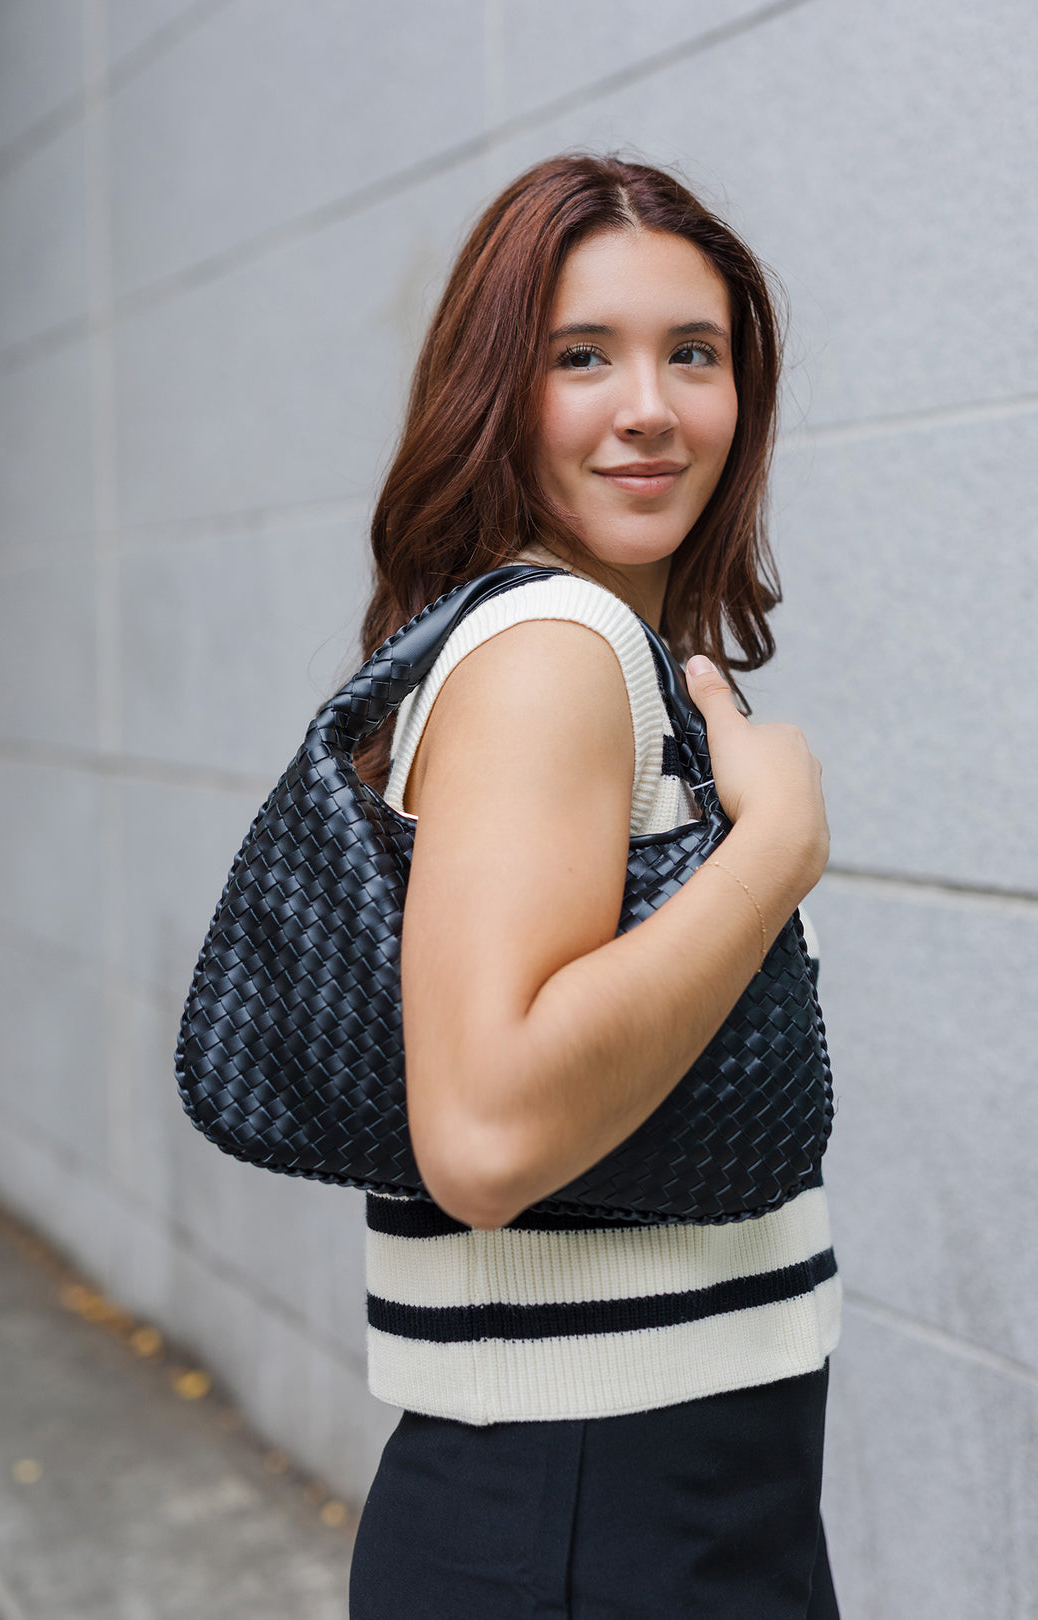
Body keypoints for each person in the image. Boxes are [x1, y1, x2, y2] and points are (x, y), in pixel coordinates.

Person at [348, 154, 841, 1619]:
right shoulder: (557, 651)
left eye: (694, 353)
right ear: (497, 389)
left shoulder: (569, 645)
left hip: (638, 1497)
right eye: (583, 357)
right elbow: (487, 1137)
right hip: (597, 1512)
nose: (652, 406)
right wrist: (772, 853)